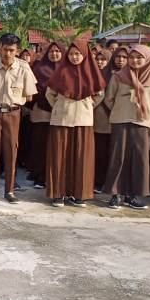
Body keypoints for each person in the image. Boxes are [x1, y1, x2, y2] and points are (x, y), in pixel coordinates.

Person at [0, 34, 38, 203]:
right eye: (5, 49)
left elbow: (30, 96)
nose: (8, 54)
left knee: (11, 150)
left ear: (17, 50)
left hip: (13, 113)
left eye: (12, 50)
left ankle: (9, 191)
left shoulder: (24, 68)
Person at [45, 39, 106, 207]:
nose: (74, 57)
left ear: (85, 54)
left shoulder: (92, 73)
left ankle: (79, 194)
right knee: (60, 158)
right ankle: (58, 194)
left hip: (83, 121)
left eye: (78, 54)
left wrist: (86, 106)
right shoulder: (60, 72)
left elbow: (99, 94)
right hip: (61, 120)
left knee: (82, 158)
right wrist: (60, 106)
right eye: (71, 54)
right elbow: (50, 94)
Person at [102, 44, 150, 210]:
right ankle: (116, 194)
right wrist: (120, 110)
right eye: (132, 57)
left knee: (140, 159)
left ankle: (134, 195)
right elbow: (109, 98)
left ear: (147, 58)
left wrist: (146, 112)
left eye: (139, 57)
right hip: (121, 121)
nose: (135, 60)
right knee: (118, 157)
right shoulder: (119, 76)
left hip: (143, 123)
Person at [28, 42, 63, 189]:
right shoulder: (39, 68)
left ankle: (53, 175)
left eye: (57, 51)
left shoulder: (67, 69)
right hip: (42, 112)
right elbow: (32, 88)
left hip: (61, 113)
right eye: (51, 51)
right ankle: (39, 175)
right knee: (40, 145)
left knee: (56, 147)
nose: (54, 54)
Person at [93, 50, 114, 191]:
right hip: (94, 119)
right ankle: (97, 181)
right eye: (98, 59)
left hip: (111, 120)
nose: (100, 62)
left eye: (103, 59)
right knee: (97, 153)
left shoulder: (115, 76)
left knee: (108, 153)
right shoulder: (91, 74)